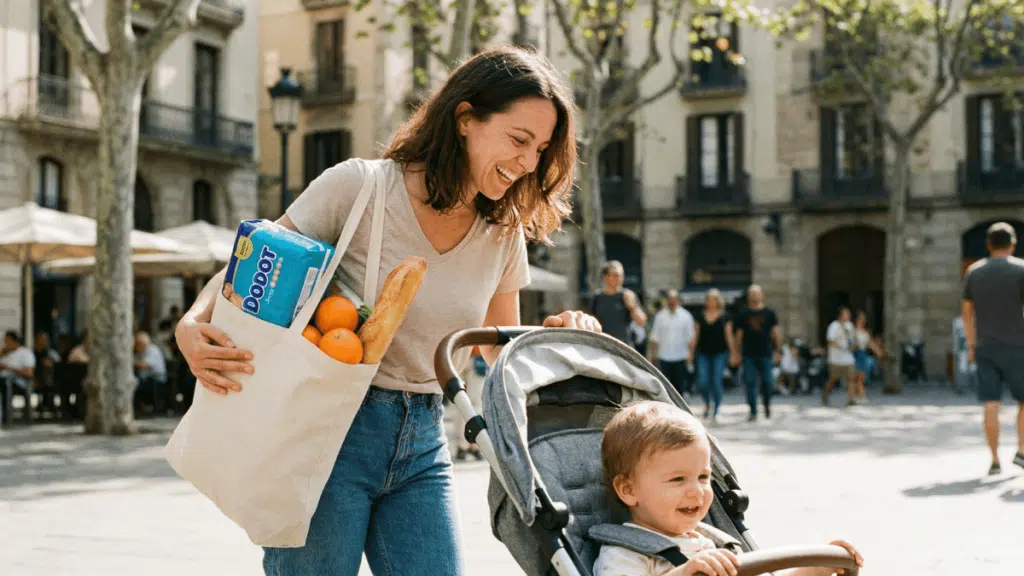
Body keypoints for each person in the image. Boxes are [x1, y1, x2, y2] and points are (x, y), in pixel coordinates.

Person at [173, 46, 601, 575]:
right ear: (465, 119)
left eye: (540, 149)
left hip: (425, 437)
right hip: (325, 434)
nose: (529, 163)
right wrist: (192, 322)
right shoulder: (360, 187)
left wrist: (557, 338)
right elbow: (254, 260)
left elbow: (495, 345)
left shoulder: (502, 232)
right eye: (518, 140)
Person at [593, 401, 864, 576]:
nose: (696, 491)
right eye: (677, 480)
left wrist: (816, 567)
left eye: (703, 477)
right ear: (628, 489)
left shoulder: (710, 540)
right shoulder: (624, 553)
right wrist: (685, 573)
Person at [961, 222, 1024, 476]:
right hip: (1019, 346)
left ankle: (995, 460)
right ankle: (1021, 449)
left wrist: (971, 343)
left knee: (991, 404)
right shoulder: (1021, 270)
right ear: (1013, 244)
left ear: (988, 245)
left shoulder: (974, 272)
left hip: (986, 346)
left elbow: (966, 312)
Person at [733, 285, 781, 420]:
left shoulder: (769, 313)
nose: (754, 297)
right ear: (748, 297)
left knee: (768, 382)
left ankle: (766, 404)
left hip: (766, 353)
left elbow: (776, 333)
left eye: (756, 294)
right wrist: (736, 352)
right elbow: (739, 335)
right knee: (750, 382)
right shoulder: (743, 314)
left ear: (762, 295)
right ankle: (753, 410)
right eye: (751, 294)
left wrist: (779, 351)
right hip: (748, 354)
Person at [692, 289, 735, 422]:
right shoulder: (700, 316)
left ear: (718, 301)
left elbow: (729, 336)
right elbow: (696, 335)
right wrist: (690, 352)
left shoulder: (725, 316)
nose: (710, 301)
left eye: (713, 299)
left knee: (717, 381)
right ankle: (707, 403)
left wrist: (734, 353)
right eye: (708, 299)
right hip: (702, 353)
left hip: (720, 353)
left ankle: (716, 409)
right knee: (703, 381)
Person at [648, 290, 696, 398]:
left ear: (678, 301)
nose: (672, 302)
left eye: (674, 300)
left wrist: (691, 354)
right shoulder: (660, 316)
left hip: (681, 356)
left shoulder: (686, 316)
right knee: (665, 386)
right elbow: (655, 337)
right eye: (670, 300)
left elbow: (691, 337)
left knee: (679, 386)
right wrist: (652, 355)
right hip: (664, 356)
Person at [590, 260, 647, 348]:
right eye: (616, 275)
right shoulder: (597, 297)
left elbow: (641, 322)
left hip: (624, 348)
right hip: (602, 347)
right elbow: (590, 323)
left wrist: (632, 307)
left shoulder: (628, 295)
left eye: (621, 275)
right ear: (606, 277)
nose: (620, 278)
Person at [821, 307, 857, 407]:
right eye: (846, 314)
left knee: (851, 377)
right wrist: (841, 346)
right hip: (836, 358)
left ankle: (851, 399)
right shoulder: (834, 326)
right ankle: (825, 395)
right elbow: (830, 340)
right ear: (841, 315)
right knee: (833, 379)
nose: (848, 316)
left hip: (848, 357)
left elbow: (853, 338)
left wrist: (852, 346)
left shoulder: (850, 325)